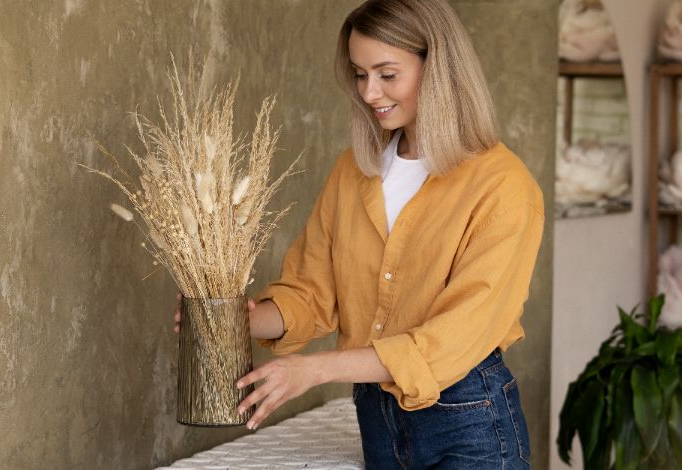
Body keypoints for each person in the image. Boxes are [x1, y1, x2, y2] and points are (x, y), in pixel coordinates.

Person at [174, 0, 544, 468]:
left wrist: (315, 370)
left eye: (387, 74)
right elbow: (312, 292)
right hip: (376, 419)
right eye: (359, 74)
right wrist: (229, 324)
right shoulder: (354, 171)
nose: (369, 93)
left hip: (468, 422)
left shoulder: (503, 186)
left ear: (440, 69)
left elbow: (452, 338)